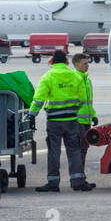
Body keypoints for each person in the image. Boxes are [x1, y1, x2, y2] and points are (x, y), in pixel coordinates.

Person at [29, 49, 87, 192]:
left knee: (54, 151)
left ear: (51, 62)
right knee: (74, 150)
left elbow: (39, 99)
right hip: (72, 120)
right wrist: (72, 110)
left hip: (54, 120)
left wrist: (32, 115)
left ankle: (53, 183)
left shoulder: (48, 77)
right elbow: (82, 99)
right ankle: (78, 181)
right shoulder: (75, 77)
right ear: (67, 62)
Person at [71, 52, 98, 191]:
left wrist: (93, 115)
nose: (88, 66)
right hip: (77, 121)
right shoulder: (75, 79)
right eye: (85, 63)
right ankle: (77, 180)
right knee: (79, 150)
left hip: (86, 120)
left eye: (88, 63)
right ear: (76, 65)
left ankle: (80, 178)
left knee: (84, 150)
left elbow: (88, 102)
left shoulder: (86, 80)